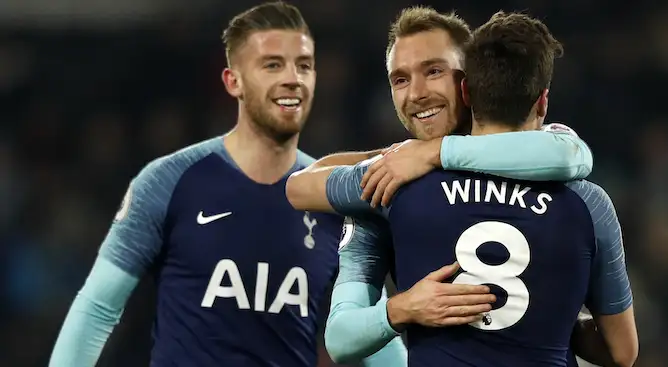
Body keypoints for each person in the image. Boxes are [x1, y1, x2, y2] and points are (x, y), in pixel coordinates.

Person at [48, 3, 408, 366]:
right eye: (272, 65)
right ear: (233, 81)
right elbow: (96, 309)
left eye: (304, 66)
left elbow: (374, 339)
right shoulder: (171, 180)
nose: (292, 79)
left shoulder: (332, 198)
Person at [293, 10, 639, 367]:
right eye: (400, 79)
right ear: (541, 101)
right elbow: (622, 352)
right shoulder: (388, 178)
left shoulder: (392, 190)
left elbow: (300, 187)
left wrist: (432, 152)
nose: (417, 93)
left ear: (467, 84)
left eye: (434, 71)